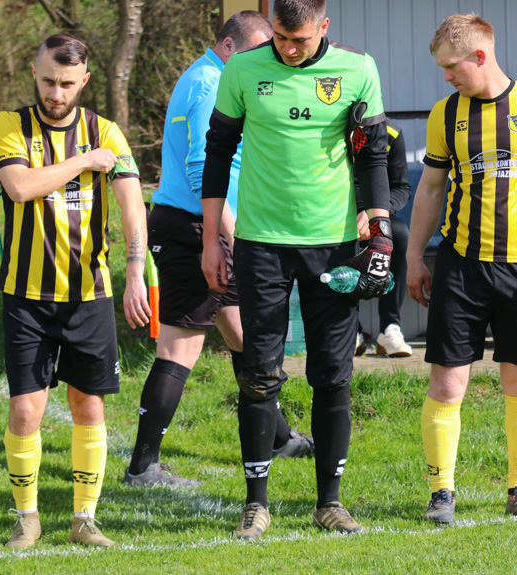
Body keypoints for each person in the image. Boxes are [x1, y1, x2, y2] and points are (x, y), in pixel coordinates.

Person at [201, 0, 392, 540]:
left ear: (324, 27)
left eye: (301, 40)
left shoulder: (359, 69)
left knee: (333, 374)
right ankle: (255, 504)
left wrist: (380, 232)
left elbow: (373, 156)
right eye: (281, 38)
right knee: (259, 372)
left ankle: (328, 503)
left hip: (332, 246)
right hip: (260, 244)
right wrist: (214, 237)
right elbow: (218, 154)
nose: (288, 49)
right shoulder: (242, 69)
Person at [123, 11, 313, 491]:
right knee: (179, 346)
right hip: (195, 229)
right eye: (258, 50)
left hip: (201, 225)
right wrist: (230, 235)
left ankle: (279, 437)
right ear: (230, 47)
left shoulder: (210, 76)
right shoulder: (210, 84)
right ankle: (143, 467)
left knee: (244, 335)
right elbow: (202, 171)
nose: (266, 59)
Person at [407, 13, 517, 525]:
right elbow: (431, 189)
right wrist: (416, 255)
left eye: (451, 66)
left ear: (480, 56)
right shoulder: (446, 113)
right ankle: (442, 494)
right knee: (446, 386)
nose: (446, 76)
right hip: (460, 268)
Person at [0, 33, 150, 548]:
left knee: (89, 406)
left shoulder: (106, 131)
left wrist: (133, 275)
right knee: (25, 410)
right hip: (27, 295)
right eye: (46, 81)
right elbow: (19, 188)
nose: (55, 93)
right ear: (34, 75)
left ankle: (84, 520)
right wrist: (84, 163)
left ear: (83, 80)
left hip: (90, 296)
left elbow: (131, 207)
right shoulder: (10, 126)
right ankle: (28, 517)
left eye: (65, 83)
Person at [354, 117, 413, 357]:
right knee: (338, 239)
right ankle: (351, 331)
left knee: (398, 233)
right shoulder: (326, 130)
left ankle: (390, 329)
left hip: (377, 214)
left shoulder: (391, 132)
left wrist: (376, 215)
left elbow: (401, 187)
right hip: (334, 215)